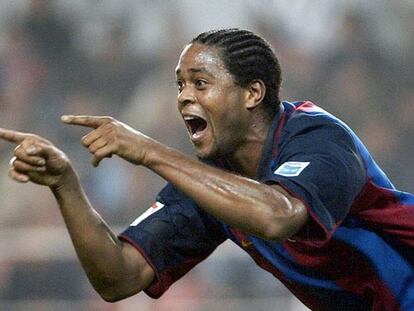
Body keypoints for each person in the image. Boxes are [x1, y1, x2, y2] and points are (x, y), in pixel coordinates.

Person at [0, 28, 413, 311]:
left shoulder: (319, 136)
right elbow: (118, 278)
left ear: (253, 92)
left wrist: (148, 151)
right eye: (179, 85)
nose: (183, 97)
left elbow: (277, 215)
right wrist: (66, 185)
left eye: (200, 82)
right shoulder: (209, 184)